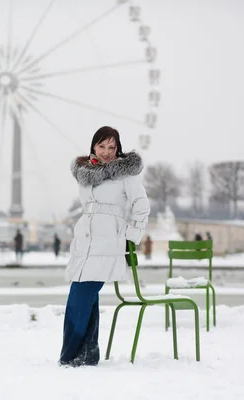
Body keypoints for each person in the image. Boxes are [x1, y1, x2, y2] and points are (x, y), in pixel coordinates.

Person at [60, 126, 150, 367]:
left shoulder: (126, 175)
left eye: (112, 147)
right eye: (102, 146)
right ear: (93, 147)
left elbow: (141, 207)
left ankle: (69, 355)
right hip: (85, 242)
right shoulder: (85, 173)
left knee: (79, 298)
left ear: (118, 148)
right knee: (86, 297)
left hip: (108, 242)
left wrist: (131, 237)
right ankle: (88, 353)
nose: (107, 152)